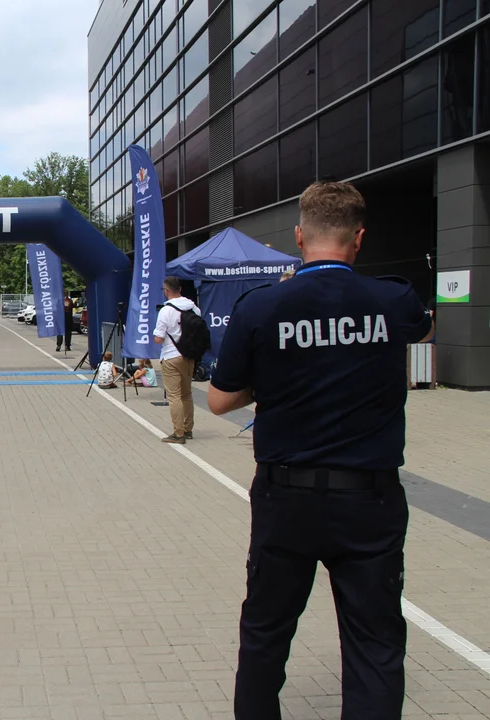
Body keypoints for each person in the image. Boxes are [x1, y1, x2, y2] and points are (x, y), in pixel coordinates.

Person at [208, 182, 435, 719]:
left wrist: (280, 374)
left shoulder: (261, 307)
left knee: (265, 633)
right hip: (369, 501)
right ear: (358, 238)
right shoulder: (392, 299)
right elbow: (423, 333)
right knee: (375, 642)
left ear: (297, 236)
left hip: (286, 497)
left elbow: (218, 402)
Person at [153, 277, 201, 444]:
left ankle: (178, 433)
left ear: (166, 291)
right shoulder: (193, 307)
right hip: (189, 355)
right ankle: (188, 429)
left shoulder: (165, 311)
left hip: (171, 356)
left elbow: (158, 338)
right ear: (180, 288)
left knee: (174, 396)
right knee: (187, 394)